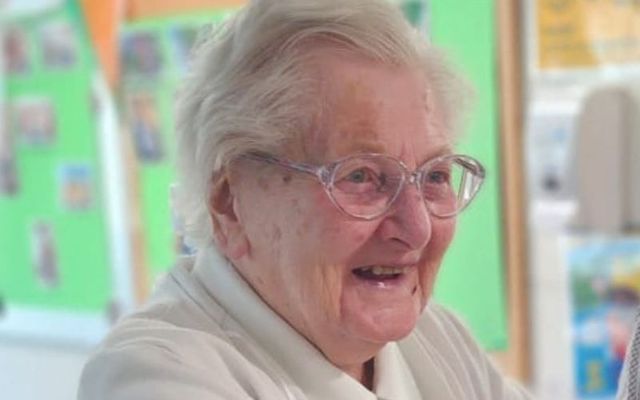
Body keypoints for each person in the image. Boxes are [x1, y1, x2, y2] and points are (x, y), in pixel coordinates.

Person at [78, 0, 534, 399]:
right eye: (361, 176)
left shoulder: (437, 339)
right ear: (231, 204)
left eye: (434, 176)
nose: (417, 227)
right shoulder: (155, 375)